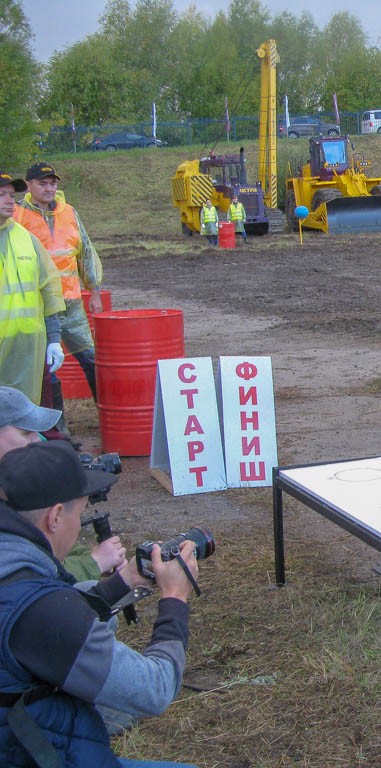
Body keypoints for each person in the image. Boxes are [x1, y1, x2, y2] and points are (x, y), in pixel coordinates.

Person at [0, 441, 200, 767]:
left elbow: (38, 614)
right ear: (56, 516)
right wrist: (175, 599)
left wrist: (123, 582)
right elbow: (154, 689)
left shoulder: (13, 563)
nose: (79, 526)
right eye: (79, 513)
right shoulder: (46, 614)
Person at [0, 386, 126, 581]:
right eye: (26, 433)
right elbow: (27, 577)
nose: (38, 442)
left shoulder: (14, 486)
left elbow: (46, 539)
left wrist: (92, 557)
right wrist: (93, 563)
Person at [14, 162, 104, 411]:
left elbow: (85, 252)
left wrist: (93, 291)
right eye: (42, 183)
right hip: (38, 306)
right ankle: (57, 427)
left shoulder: (69, 213)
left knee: (91, 359)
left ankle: (106, 412)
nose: (49, 188)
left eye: (52, 183)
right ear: (29, 185)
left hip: (72, 303)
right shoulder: (17, 216)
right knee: (46, 368)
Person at [0, 171, 65, 405]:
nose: (10, 201)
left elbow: (48, 289)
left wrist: (54, 338)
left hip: (27, 346)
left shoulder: (26, 239)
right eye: (1, 195)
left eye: (11, 195)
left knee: (25, 413)